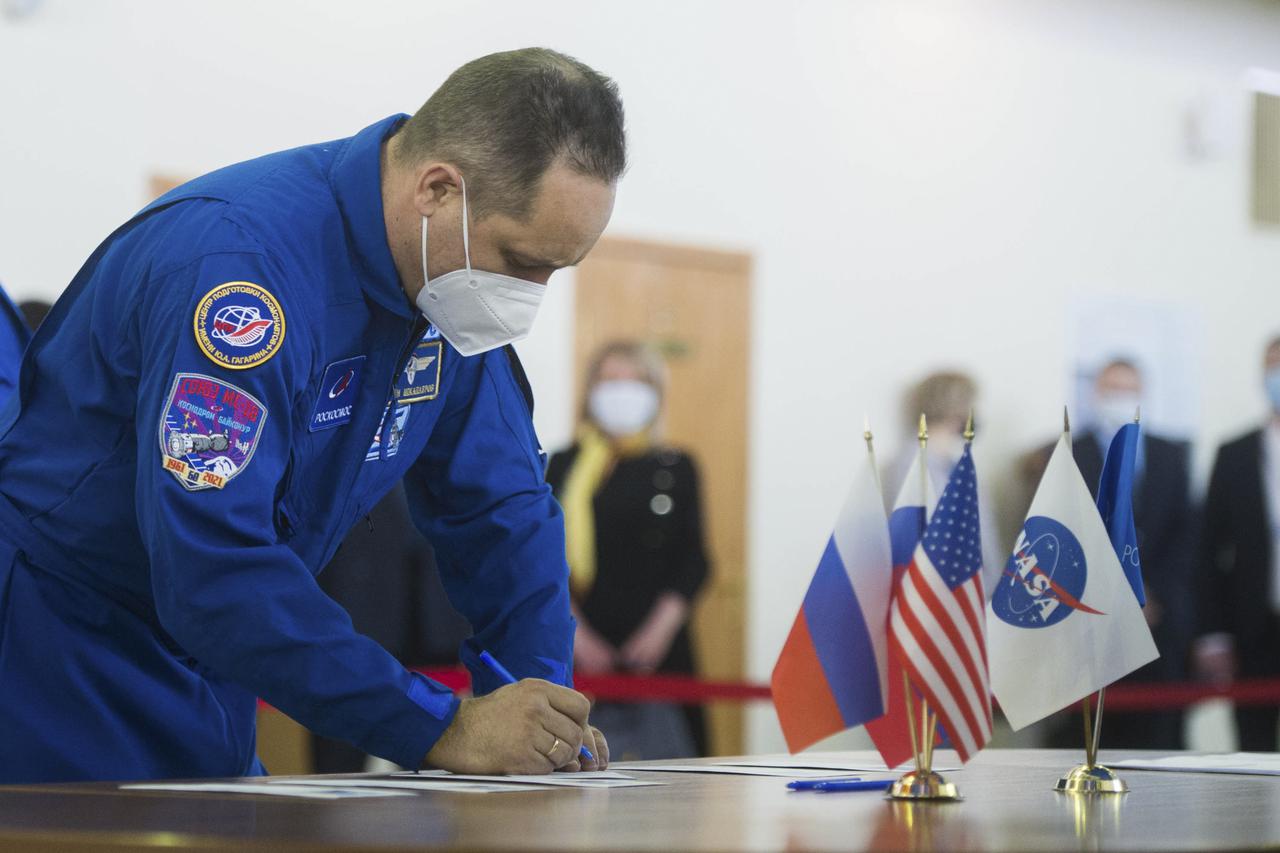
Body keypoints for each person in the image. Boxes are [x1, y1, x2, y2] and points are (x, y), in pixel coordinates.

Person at [0, 48, 625, 783]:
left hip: (211, 659)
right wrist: (442, 725)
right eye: (523, 260)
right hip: (63, 648)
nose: (530, 292)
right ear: (437, 189)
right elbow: (212, 564)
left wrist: (540, 717)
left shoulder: (449, 289)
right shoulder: (241, 276)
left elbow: (505, 513)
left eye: (557, 268)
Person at [545, 342, 710, 758]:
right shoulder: (565, 465)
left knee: (673, 791)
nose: (621, 391)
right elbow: (542, 559)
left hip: (659, 657)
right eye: (610, 380)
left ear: (655, 393)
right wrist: (578, 636)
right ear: (590, 390)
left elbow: (694, 560)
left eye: (634, 381)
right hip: (579, 653)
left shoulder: (676, 466)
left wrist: (658, 631)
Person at [1038, 357, 1195, 749]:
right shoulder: (1068, 451)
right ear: (1096, 393)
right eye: (1112, 389)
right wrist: (1110, 599)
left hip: (1157, 621)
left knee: (1157, 738)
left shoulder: (1170, 453)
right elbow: (1059, 534)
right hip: (1087, 620)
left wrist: (1148, 594)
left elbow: (1186, 535)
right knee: (1090, 738)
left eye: (1128, 390)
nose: (1120, 398)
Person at [1195, 335, 1280, 750]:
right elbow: (1207, 548)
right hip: (1252, 627)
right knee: (1254, 748)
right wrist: (1212, 634)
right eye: (1273, 367)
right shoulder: (1236, 453)